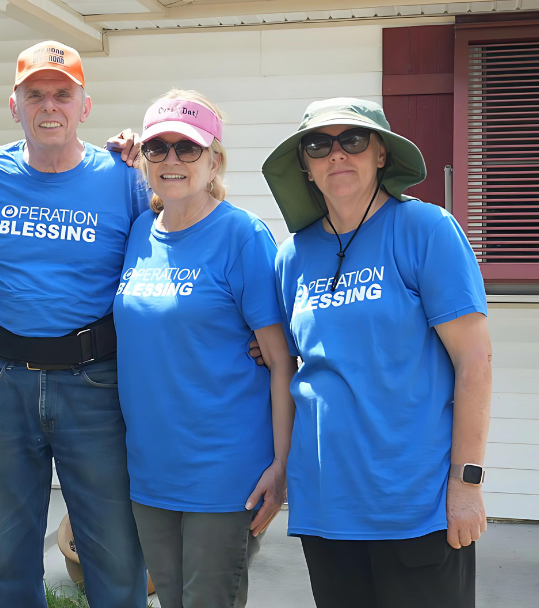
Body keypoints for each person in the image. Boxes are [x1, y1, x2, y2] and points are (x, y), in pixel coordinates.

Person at [262, 97, 492, 608]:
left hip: (415, 503)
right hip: (325, 503)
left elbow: (475, 362)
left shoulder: (426, 230)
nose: (336, 154)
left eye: (354, 140)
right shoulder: (291, 256)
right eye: (319, 144)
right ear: (305, 164)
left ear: (381, 154)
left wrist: (467, 483)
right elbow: (285, 360)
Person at [0, 41, 149, 608]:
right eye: (35, 94)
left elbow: (172, 246)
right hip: (4, 381)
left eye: (63, 93)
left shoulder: (124, 177)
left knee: (112, 549)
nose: (49, 105)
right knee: (8, 551)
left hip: (95, 381)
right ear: (15, 106)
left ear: (85, 106)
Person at [114, 90, 295, 608]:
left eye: (187, 148)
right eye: (159, 148)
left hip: (224, 472)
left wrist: (281, 466)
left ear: (214, 159)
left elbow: (281, 359)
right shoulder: (138, 234)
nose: (172, 160)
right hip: (150, 469)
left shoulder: (241, 235)